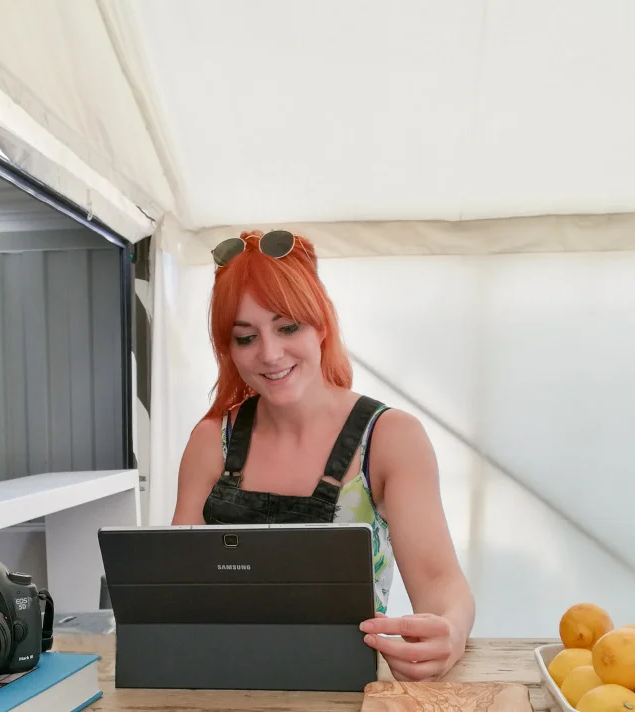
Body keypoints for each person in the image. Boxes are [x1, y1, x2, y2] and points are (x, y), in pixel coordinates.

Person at [172, 230, 475, 681]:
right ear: (228, 349)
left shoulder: (389, 438)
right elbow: (175, 587)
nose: (270, 354)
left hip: (345, 692)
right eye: (246, 337)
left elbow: (440, 583)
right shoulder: (210, 440)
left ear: (322, 326)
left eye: (287, 327)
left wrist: (450, 630)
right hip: (221, 685)